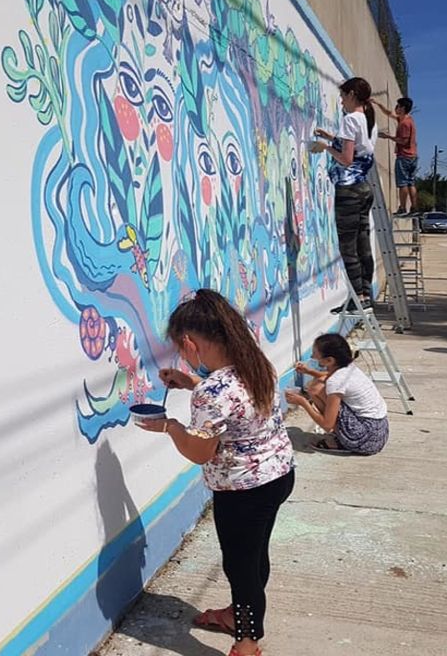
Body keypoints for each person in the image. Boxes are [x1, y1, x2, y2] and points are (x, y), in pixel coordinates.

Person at [136, 289, 295, 656]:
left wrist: (170, 428)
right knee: (254, 556)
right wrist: (190, 382)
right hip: (278, 475)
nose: (183, 356)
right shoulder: (255, 363)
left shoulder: (211, 393)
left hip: (243, 491)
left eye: (180, 348)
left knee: (240, 566)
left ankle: (247, 642)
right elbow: (235, 403)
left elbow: (200, 451)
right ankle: (237, 617)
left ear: (190, 343)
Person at [311, 77, 379, 312]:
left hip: (349, 191)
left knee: (348, 248)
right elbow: (359, 149)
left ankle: (358, 299)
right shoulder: (369, 121)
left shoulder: (350, 120)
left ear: (351, 95)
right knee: (363, 245)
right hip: (363, 189)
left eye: (342, 96)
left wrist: (325, 147)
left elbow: (347, 159)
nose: (341, 101)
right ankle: (366, 295)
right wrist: (331, 137)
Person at [285, 333, 389, 455]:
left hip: (365, 440)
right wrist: (309, 371)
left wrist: (303, 402)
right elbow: (328, 377)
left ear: (329, 360)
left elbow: (327, 425)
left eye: (315, 354)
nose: (312, 356)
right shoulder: (349, 368)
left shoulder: (336, 381)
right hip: (379, 431)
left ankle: (340, 441)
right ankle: (341, 434)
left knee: (316, 389)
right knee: (319, 385)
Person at [373, 96, 418, 215]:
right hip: (412, 156)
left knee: (403, 183)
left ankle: (403, 208)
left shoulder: (404, 124)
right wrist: (378, 104)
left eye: (397, 106)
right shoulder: (407, 119)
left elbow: (403, 141)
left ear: (402, 108)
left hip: (404, 156)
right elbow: (389, 113)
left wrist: (388, 137)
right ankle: (414, 208)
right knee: (411, 183)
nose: (395, 108)